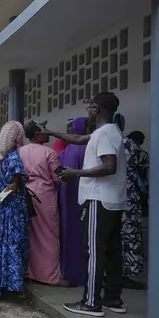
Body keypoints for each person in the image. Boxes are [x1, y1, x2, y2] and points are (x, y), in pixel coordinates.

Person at [50, 92, 127, 317]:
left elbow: (109, 166)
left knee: (93, 251)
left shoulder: (104, 134)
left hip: (98, 198)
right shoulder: (110, 131)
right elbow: (79, 139)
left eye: (90, 107)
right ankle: (113, 299)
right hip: (112, 200)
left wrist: (76, 173)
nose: (88, 111)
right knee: (112, 251)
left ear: (97, 109)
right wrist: (51, 132)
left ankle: (91, 302)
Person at [0, 121, 29, 296]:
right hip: (11, 210)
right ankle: (12, 286)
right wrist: (7, 192)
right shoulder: (14, 156)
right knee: (13, 244)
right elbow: (14, 185)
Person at [19, 120, 68, 286]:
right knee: (49, 235)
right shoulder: (49, 153)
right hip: (44, 195)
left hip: (25, 193)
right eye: (44, 130)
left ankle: (30, 271)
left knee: (30, 234)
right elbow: (58, 177)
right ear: (37, 134)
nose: (47, 133)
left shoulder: (20, 151)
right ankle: (50, 276)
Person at [58, 117, 90, 287]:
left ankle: (69, 271)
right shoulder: (87, 148)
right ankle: (82, 274)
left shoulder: (67, 150)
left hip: (66, 194)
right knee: (82, 235)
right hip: (82, 195)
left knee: (68, 233)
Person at [121, 129, 149, 289]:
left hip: (112, 196)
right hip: (130, 197)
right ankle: (126, 274)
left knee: (115, 236)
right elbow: (145, 168)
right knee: (130, 236)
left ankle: (112, 273)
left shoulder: (116, 144)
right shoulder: (137, 150)